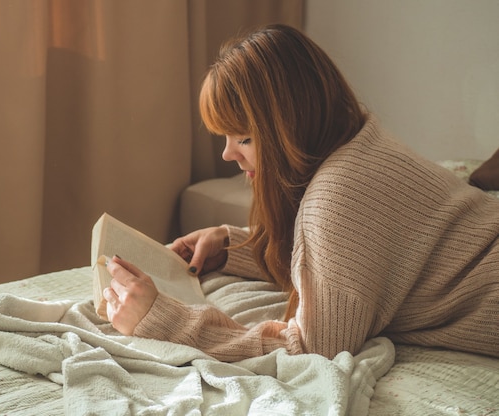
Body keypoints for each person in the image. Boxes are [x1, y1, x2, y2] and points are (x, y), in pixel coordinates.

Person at [102, 23, 499, 361]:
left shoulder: (338, 195)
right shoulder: (362, 142)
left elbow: (313, 349)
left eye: (243, 137)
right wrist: (233, 246)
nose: (227, 153)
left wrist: (167, 321)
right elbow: (358, 263)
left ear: (287, 126)